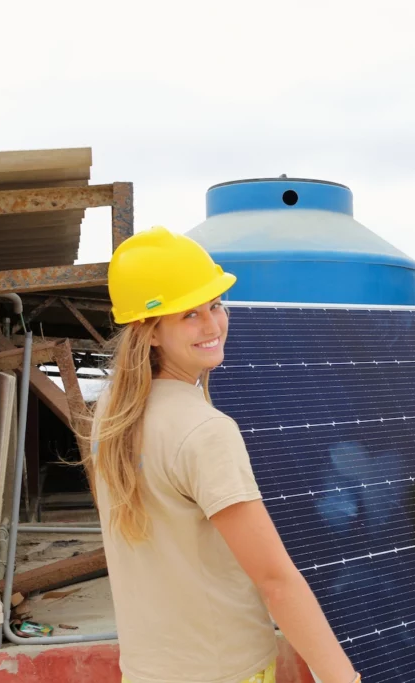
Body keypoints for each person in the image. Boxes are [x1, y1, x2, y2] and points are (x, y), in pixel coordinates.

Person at [85, 226, 360, 683]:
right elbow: (275, 582)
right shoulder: (206, 431)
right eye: (189, 315)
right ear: (149, 332)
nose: (212, 325)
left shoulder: (112, 418)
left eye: (215, 305)